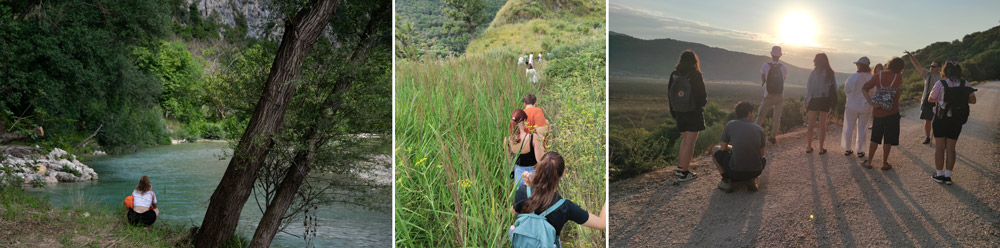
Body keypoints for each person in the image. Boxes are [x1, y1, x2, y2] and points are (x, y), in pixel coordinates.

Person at [510, 152, 608, 245]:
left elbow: (514, 214)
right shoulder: (565, 207)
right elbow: (602, 224)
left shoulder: (522, 192)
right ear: (563, 173)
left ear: (538, 169)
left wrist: (529, 187)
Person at [929, 61, 977, 185]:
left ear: (945, 71)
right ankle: (948, 176)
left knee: (939, 148)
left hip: (940, 118)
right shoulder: (965, 84)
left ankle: (939, 175)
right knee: (951, 149)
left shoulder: (941, 83)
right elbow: (973, 101)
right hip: (956, 120)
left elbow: (931, 99)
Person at [667, 51, 708, 181]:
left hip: (678, 112)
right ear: (694, 61)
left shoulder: (674, 75)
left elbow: (669, 95)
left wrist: (673, 112)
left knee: (685, 141)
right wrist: (701, 105)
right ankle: (684, 173)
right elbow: (702, 95)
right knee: (690, 143)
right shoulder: (695, 75)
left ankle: (680, 167)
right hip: (693, 112)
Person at [711, 102, 766, 192]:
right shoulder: (759, 129)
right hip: (756, 171)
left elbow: (723, 148)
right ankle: (752, 179)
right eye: (753, 113)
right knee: (764, 159)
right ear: (749, 113)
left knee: (715, 149)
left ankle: (726, 181)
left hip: (735, 172)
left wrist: (733, 148)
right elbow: (761, 154)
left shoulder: (730, 124)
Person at [861, 57, 905, 170]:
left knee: (875, 137)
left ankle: (869, 162)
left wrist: (871, 102)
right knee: (888, 138)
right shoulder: (899, 77)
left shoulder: (878, 76)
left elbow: (864, 88)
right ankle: (884, 163)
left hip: (878, 112)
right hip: (893, 112)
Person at [802, 53, 837, 154]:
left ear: (817, 61)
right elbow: (835, 88)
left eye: (814, 59)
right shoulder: (830, 73)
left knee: (811, 125)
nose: (813, 60)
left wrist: (805, 102)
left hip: (814, 100)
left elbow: (809, 89)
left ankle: (809, 147)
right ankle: (821, 148)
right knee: (823, 125)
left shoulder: (814, 73)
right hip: (825, 100)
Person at [905, 51, 942, 144]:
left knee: (938, 120)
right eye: (931, 66)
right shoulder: (927, 74)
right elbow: (917, 65)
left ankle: (938, 136)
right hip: (927, 100)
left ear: (938, 67)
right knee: (927, 119)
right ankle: (927, 137)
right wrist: (910, 56)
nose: (931, 67)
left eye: (934, 66)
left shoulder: (942, 76)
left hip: (938, 100)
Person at [842, 56, 875, 158]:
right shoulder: (872, 77)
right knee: (862, 128)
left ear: (860, 65)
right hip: (866, 107)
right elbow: (874, 92)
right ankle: (860, 151)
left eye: (857, 64)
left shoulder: (853, 76)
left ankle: (848, 149)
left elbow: (846, 90)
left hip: (852, 105)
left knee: (849, 127)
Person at [756, 46, 788, 145]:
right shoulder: (784, 67)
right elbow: (783, 80)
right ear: (780, 55)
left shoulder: (765, 66)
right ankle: (773, 137)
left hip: (768, 95)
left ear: (771, 54)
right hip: (780, 95)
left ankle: (754, 135)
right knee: (777, 118)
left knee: (760, 115)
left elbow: (763, 79)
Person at [505, 109, 545, 187]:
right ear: (524, 121)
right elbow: (541, 160)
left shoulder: (507, 140)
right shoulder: (532, 138)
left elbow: (509, 161)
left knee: (520, 198)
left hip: (518, 174)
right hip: (532, 174)